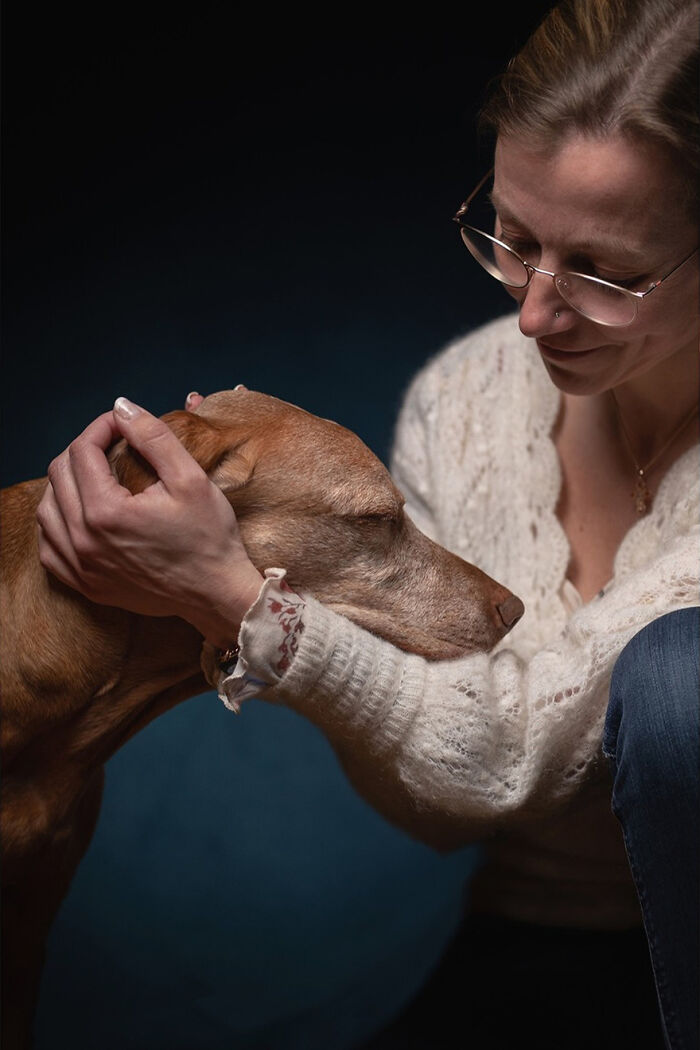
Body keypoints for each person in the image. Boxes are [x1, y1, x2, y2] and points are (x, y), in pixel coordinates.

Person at [35, 0, 699, 1047]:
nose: (530, 314)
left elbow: (516, 753)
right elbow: (445, 803)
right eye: (512, 238)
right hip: (536, 924)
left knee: (678, 675)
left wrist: (233, 597)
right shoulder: (471, 392)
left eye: (603, 274)